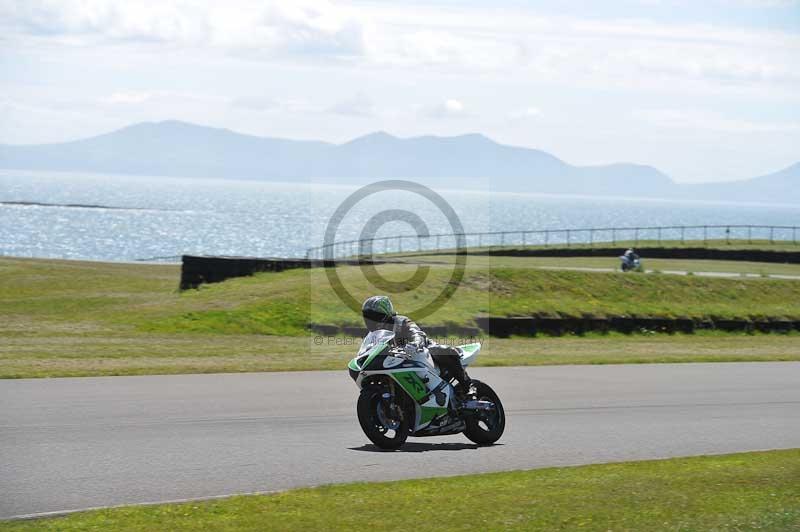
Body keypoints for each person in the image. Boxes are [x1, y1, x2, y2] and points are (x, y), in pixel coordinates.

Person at [361, 295, 471, 393]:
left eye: (373, 317)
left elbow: (416, 332)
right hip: (396, 360)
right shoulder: (374, 334)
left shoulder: (400, 321)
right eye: (367, 317)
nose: (370, 320)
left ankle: (468, 386)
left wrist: (416, 342)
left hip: (420, 351)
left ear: (384, 315)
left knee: (445, 352)